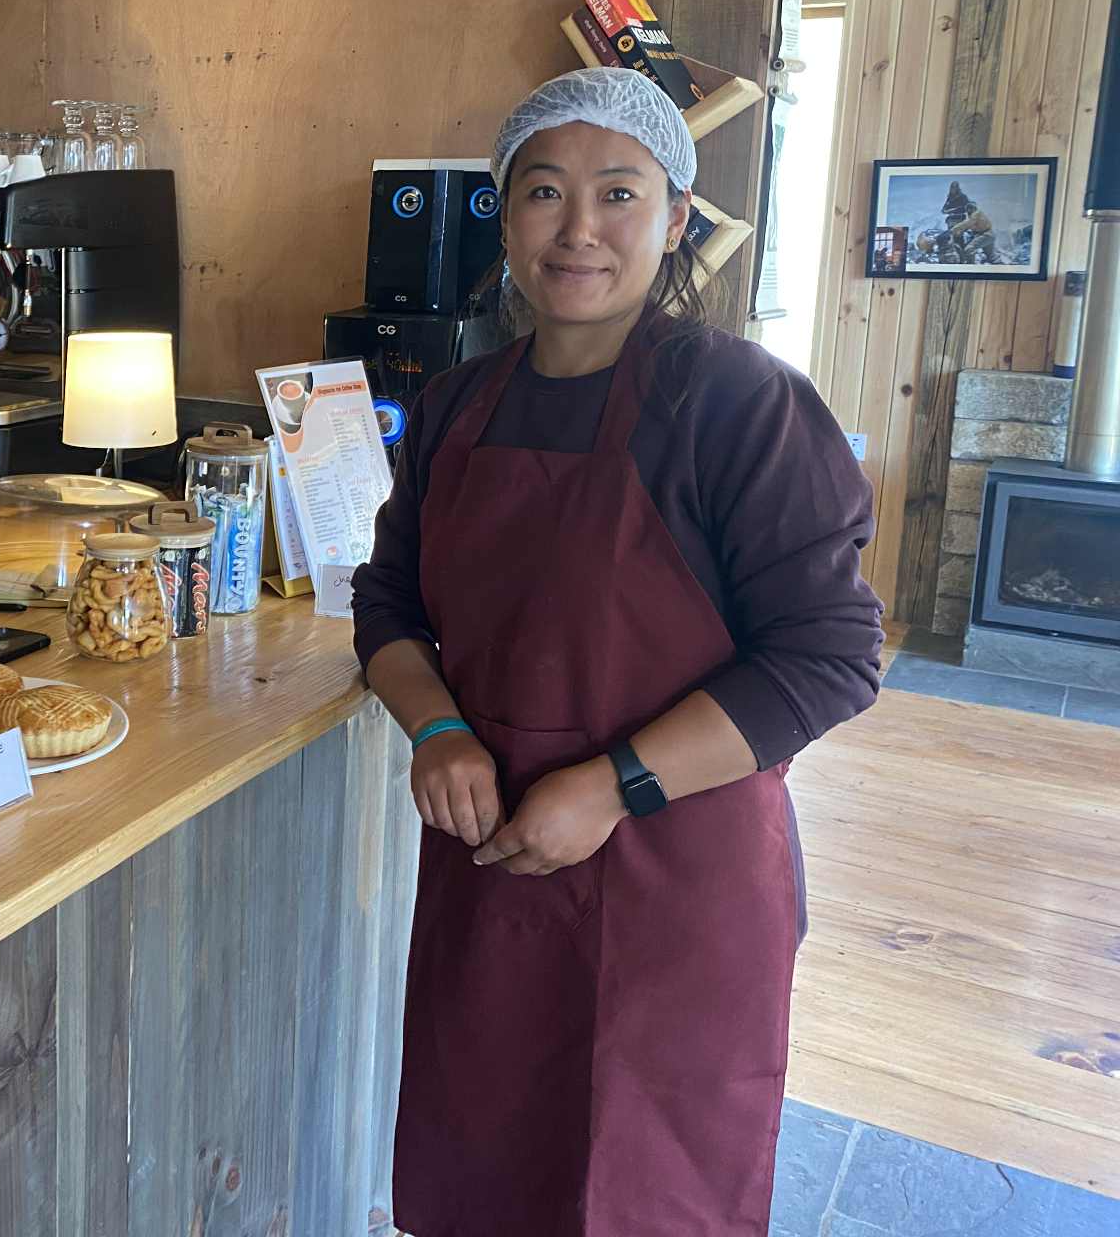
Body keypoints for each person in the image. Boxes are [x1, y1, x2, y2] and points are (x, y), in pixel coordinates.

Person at [350, 68, 884, 1237]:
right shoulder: (453, 407)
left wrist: (610, 786)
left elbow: (831, 655)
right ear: (504, 211)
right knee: (483, 1163)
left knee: (647, 1191)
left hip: (678, 876)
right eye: (542, 192)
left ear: (674, 216)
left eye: (616, 193)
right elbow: (384, 602)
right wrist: (434, 726)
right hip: (494, 871)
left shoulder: (736, 403)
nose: (577, 228)